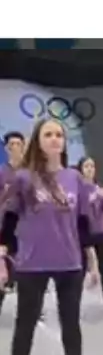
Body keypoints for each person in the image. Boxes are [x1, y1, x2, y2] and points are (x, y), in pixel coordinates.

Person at [0, 119, 100, 355]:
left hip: (69, 262)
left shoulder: (74, 178)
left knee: (71, 322)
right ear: (38, 140)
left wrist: (91, 260)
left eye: (59, 134)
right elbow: (8, 221)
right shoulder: (24, 178)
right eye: (48, 134)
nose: (55, 139)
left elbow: (83, 224)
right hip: (32, 263)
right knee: (26, 323)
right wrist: (2, 256)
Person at [78, 157, 103, 316]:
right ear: (81, 169)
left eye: (92, 166)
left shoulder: (101, 190)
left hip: (101, 232)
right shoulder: (78, 189)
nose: (89, 169)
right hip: (85, 232)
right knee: (80, 268)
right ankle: (75, 303)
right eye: (86, 166)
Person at [0, 131, 25, 314]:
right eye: (11, 145)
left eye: (18, 144)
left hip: (26, 224)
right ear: (6, 148)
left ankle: (32, 308)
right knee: (4, 271)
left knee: (28, 270)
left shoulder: (29, 172)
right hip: (6, 225)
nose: (15, 148)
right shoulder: (2, 173)